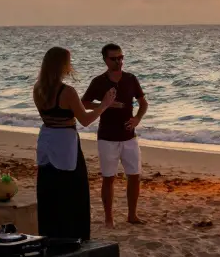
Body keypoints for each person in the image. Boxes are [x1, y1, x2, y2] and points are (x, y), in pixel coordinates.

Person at [33, 47, 115, 240]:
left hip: (47, 139)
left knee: (49, 192)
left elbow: (48, 117)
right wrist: (104, 105)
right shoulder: (67, 91)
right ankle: (73, 235)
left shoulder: (38, 88)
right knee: (72, 191)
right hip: (65, 141)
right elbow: (85, 120)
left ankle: (50, 234)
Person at [83, 44, 148, 226]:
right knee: (108, 178)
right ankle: (109, 218)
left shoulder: (130, 79)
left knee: (134, 175)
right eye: (114, 58)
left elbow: (143, 103)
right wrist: (104, 105)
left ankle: (132, 215)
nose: (119, 61)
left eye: (121, 57)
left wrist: (137, 119)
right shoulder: (99, 81)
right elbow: (84, 103)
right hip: (107, 137)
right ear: (105, 60)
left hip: (129, 136)